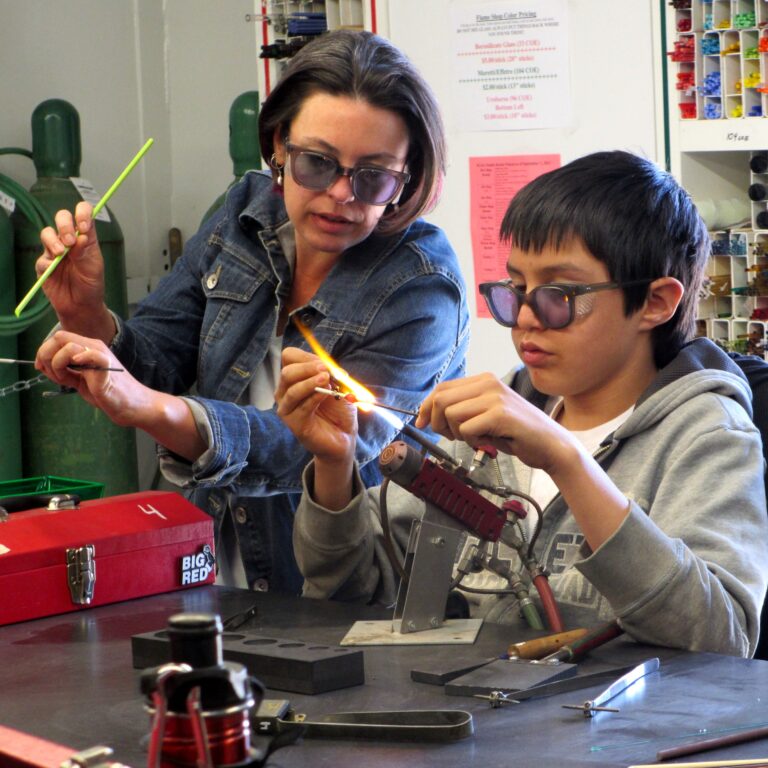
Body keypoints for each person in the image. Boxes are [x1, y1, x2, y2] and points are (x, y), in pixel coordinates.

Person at [276, 150, 768, 657]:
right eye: (515, 289)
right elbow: (353, 599)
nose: (526, 318)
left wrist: (567, 460)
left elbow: (720, 641)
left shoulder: (708, 437)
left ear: (655, 302)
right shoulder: (486, 422)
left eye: (558, 294)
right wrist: (335, 466)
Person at [32, 30, 470, 594]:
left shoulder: (422, 288)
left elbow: (312, 450)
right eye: (317, 162)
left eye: (373, 177)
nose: (341, 194)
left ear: (407, 178)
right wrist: (88, 316)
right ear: (278, 146)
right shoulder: (244, 211)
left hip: (337, 587)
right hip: (205, 563)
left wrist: (152, 410)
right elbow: (156, 358)